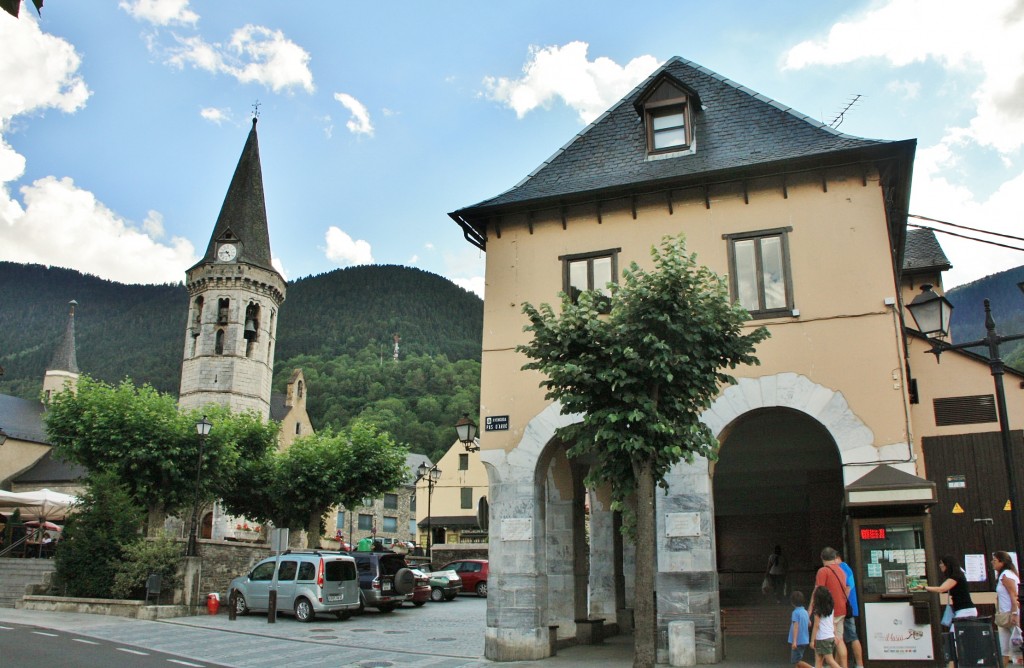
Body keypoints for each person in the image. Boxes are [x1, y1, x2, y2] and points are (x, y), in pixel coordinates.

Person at [919, 555, 976, 668]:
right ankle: (957, 664)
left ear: (947, 565)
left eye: (942, 563)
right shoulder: (958, 575)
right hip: (963, 611)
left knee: (953, 639)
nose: (940, 566)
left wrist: (924, 587)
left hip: (965, 612)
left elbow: (942, 589)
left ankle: (953, 664)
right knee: (958, 640)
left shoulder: (956, 576)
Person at [813, 547, 849, 668]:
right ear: (835, 557)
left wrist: (810, 609)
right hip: (841, 609)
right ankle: (844, 665)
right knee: (839, 640)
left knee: (823, 640)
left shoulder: (823, 571)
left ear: (822, 558)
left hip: (828, 611)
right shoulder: (841, 571)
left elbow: (818, 591)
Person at [992, 551, 1020, 666]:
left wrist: (1014, 613)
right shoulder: (1002, 576)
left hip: (1010, 613)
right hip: (1004, 614)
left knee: (1017, 646)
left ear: (1002, 562)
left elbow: (1013, 595)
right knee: (1004, 648)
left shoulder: (1006, 575)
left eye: (994, 560)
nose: (992, 563)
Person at [836, 553, 864, 668]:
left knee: (850, 636)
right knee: (839, 637)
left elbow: (848, 587)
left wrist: (841, 601)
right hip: (848, 608)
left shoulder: (843, 567)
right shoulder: (845, 568)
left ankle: (859, 664)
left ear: (837, 558)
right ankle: (837, 664)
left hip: (846, 609)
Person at [809, 586, 841, 668]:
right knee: (819, 661)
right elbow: (833, 623)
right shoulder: (831, 609)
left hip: (822, 638)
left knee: (829, 660)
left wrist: (812, 640)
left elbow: (816, 626)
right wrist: (836, 635)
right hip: (830, 636)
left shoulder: (817, 610)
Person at [789, 590, 814, 668]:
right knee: (798, 659)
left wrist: (794, 641)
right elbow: (809, 624)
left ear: (792, 602)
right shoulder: (805, 612)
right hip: (804, 639)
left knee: (796, 660)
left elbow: (795, 626)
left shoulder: (795, 613)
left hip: (798, 641)